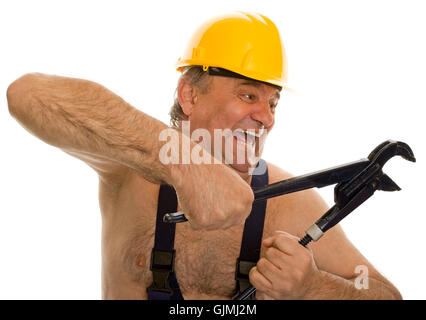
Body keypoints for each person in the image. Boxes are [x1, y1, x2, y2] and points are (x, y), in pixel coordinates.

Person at [6, 12, 401, 300]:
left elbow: (382, 292)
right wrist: (184, 161)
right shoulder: (127, 175)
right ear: (189, 95)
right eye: (248, 95)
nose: (266, 118)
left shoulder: (291, 202)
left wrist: (315, 287)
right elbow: (27, 95)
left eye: (273, 103)